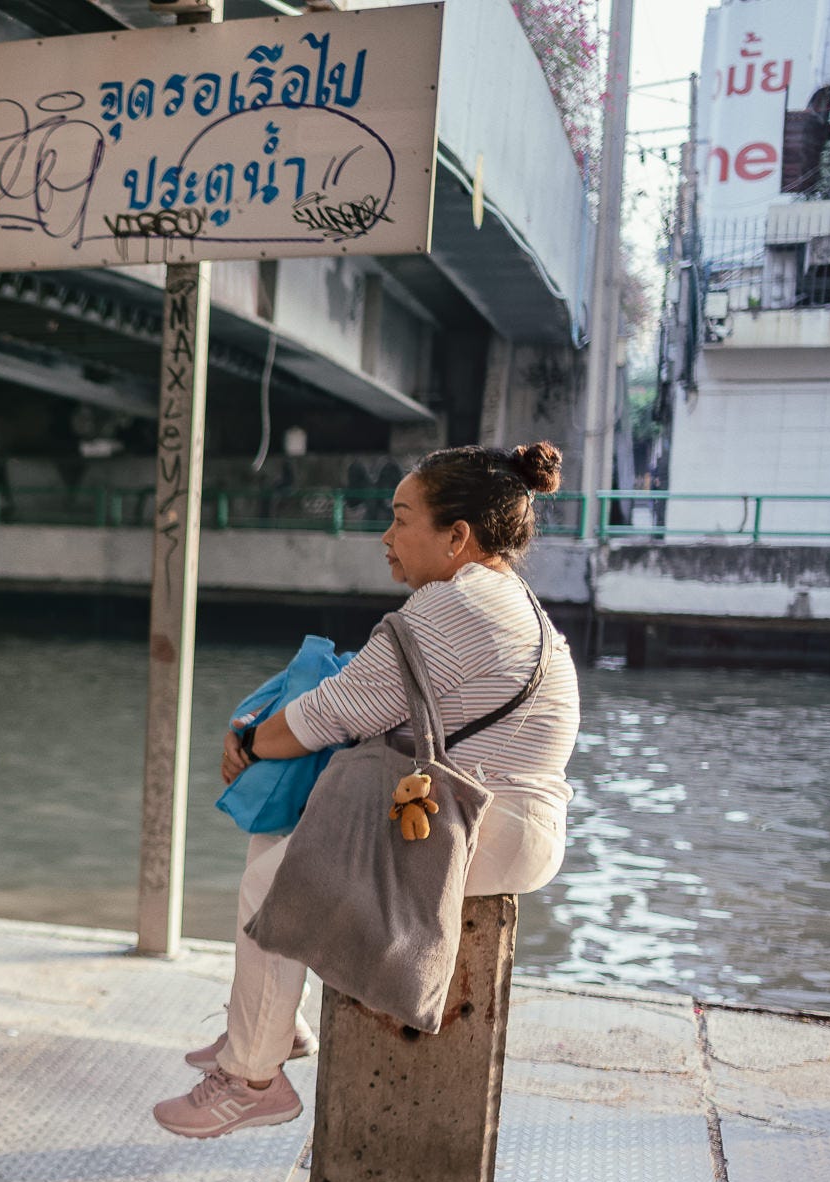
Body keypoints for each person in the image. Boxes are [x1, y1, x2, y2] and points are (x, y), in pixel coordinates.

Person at [153, 441, 582, 1139]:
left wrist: (246, 742)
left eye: (402, 517)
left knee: (276, 879)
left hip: (486, 826)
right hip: (503, 816)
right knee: (285, 826)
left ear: (456, 537)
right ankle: (272, 1028)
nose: (387, 536)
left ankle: (250, 1080)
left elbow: (326, 715)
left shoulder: (449, 610)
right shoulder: (502, 596)